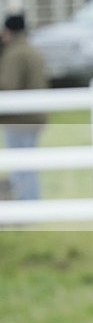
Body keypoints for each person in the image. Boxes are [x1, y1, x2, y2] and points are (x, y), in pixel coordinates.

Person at [0, 13, 50, 200]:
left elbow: (7, 85)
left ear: (8, 32)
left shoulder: (14, 53)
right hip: (35, 116)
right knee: (29, 163)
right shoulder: (32, 50)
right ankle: (30, 203)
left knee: (20, 165)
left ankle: (25, 206)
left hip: (19, 118)